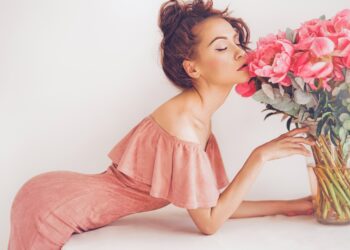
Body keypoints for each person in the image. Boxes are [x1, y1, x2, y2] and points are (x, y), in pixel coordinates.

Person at [8, 0, 315, 249]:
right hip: (55, 207)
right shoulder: (184, 123)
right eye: (222, 47)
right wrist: (260, 156)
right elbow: (209, 223)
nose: (239, 52)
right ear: (192, 67)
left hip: (59, 190)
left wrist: (293, 205)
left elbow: (215, 206)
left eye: (237, 42)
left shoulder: (197, 116)